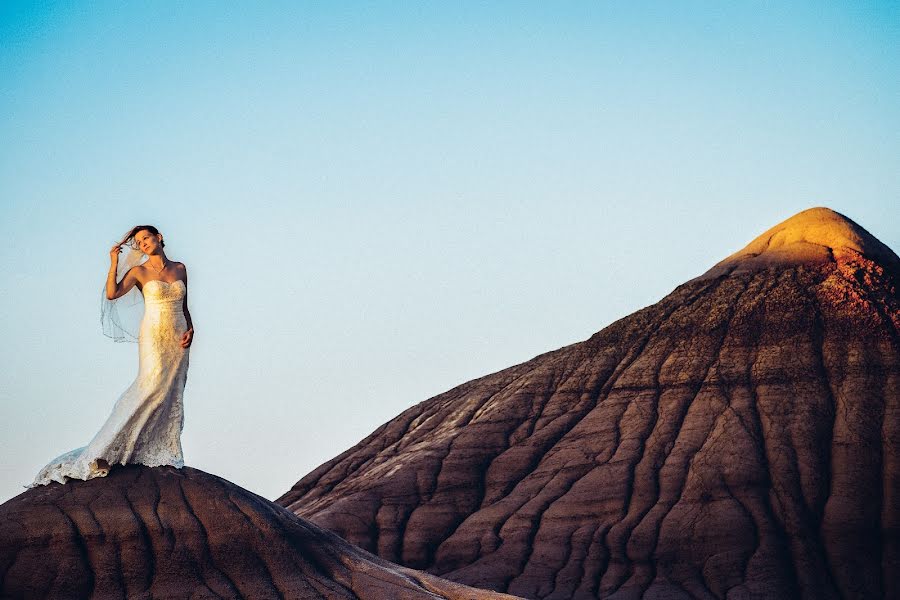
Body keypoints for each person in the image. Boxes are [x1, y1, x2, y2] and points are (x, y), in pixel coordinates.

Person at [29, 225, 194, 486]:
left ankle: (158, 448)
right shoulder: (139, 271)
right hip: (153, 335)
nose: (143, 244)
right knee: (150, 386)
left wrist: (192, 328)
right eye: (139, 242)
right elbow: (112, 293)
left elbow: (184, 305)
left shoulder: (181, 268)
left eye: (146, 238)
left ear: (158, 238)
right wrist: (114, 262)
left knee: (170, 391)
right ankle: (105, 449)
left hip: (179, 336)